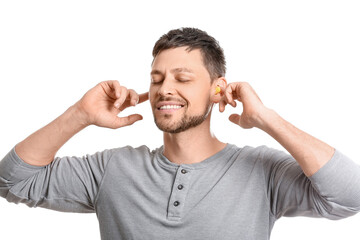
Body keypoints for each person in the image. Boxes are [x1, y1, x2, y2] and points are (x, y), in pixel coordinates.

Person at [0, 27, 359, 240]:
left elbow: (350, 196)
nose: (164, 89)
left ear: (218, 89)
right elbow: (12, 182)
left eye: (182, 78)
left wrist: (267, 119)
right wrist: (80, 115)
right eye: (156, 79)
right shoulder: (112, 169)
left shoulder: (261, 170)